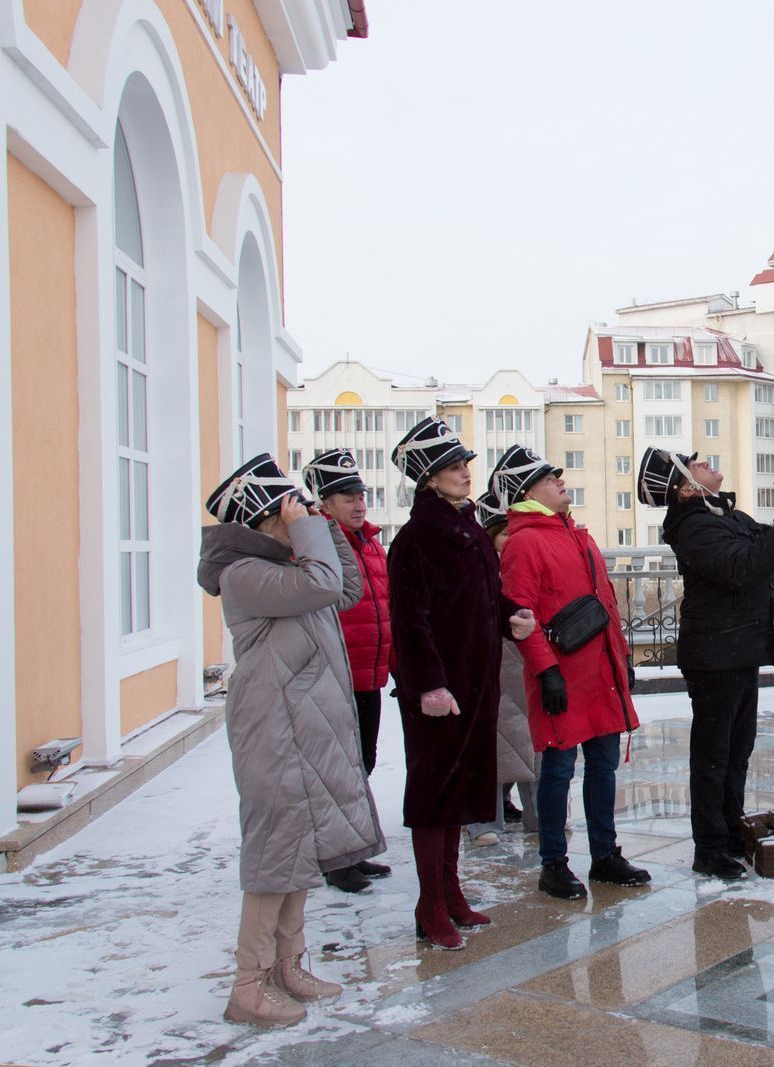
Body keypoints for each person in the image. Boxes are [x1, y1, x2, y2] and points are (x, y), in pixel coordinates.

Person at [199, 453, 387, 1027]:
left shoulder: (294, 563)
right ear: (265, 515)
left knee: (301, 852)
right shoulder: (246, 575)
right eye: (293, 506)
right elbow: (325, 582)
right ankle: (248, 985)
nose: (303, 511)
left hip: (305, 729)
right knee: (274, 857)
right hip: (274, 731)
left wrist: (320, 524)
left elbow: (347, 585)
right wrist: (310, 527)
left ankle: (289, 965)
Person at [388, 417, 536, 951]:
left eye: (464, 465)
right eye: (453, 467)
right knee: (434, 796)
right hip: (439, 693)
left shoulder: (469, 527)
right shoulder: (414, 539)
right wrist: (429, 685)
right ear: (428, 478)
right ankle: (430, 908)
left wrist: (509, 616)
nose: (465, 474)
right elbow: (410, 620)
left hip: (475, 683)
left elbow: (482, 596)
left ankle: (451, 894)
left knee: (456, 795)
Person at [641, 448, 774, 880]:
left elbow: (760, 547)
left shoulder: (720, 513)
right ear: (685, 487)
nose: (706, 463)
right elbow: (741, 568)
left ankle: (731, 829)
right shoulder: (695, 525)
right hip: (716, 656)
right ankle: (710, 848)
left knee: (737, 751)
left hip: (737, 649)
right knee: (714, 756)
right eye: (695, 465)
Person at [495, 444, 650, 899]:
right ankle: (553, 864)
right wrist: (546, 672)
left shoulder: (578, 536)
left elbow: (607, 604)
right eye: (549, 477)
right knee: (558, 769)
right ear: (528, 492)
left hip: (600, 673)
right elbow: (518, 617)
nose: (560, 480)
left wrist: (621, 658)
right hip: (562, 674)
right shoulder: (523, 542)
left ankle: (605, 855)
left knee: (603, 766)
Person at [303, 447, 393, 893]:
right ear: (323, 503)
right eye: (346, 497)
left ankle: (353, 851)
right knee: (337, 770)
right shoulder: (316, 544)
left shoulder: (372, 542)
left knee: (363, 765)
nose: (358, 504)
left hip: (369, 675)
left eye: (360, 494)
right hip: (334, 677)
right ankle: (335, 860)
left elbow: (385, 608)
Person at [466, 488, 540, 844]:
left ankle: (539, 814)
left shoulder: (525, 562)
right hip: (494, 666)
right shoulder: (480, 571)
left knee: (531, 741)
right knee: (497, 743)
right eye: (505, 533)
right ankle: (484, 819)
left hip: (526, 664)